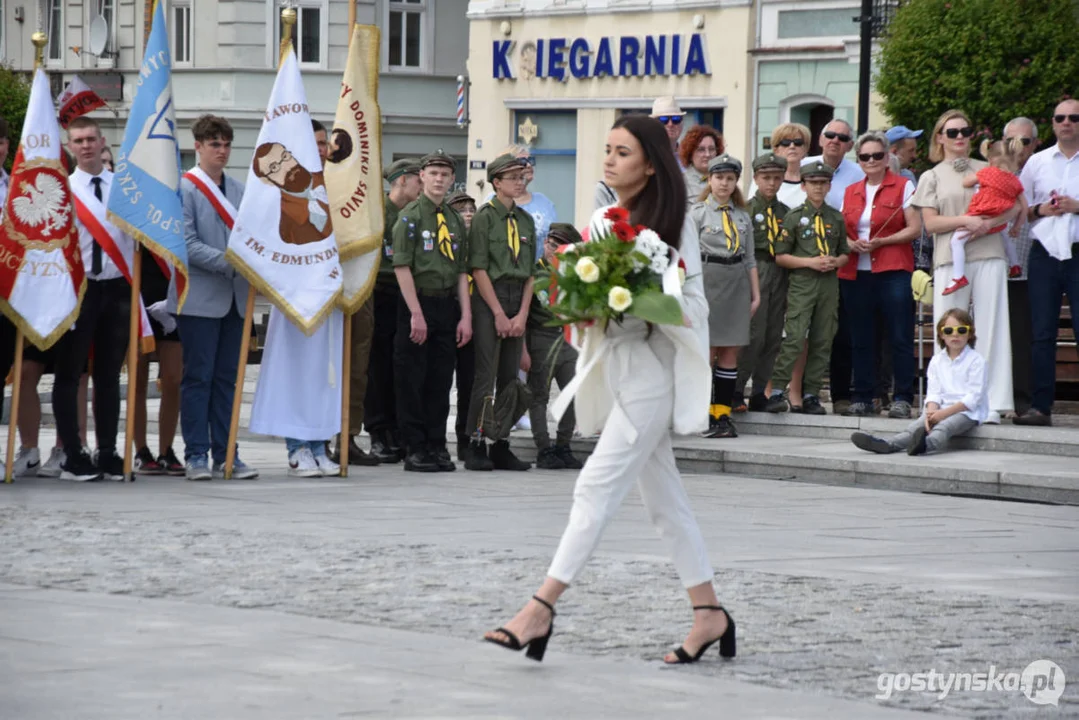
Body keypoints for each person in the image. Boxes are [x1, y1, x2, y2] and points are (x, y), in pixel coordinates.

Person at [483, 114, 735, 666]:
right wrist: (581, 303)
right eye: (608, 149)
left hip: (656, 374)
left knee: (594, 486)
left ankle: (540, 607)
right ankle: (709, 612)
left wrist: (639, 298)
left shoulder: (676, 221)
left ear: (649, 164)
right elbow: (586, 307)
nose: (610, 159)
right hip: (618, 368)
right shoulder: (599, 220)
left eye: (623, 152)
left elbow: (693, 306)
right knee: (665, 503)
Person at [250, 119, 343, 478]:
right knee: (295, 374)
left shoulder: (335, 186)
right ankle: (297, 448)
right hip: (294, 295)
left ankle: (320, 444)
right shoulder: (280, 192)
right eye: (314, 143)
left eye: (323, 143)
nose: (321, 149)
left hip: (327, 293)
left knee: (324, 374)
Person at [912, 109, 1013, 424]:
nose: (959, 137)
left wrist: (988, 224)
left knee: (992, 325)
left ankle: (994, 402)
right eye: (952, 132)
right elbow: (930, 223)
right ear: (939, 137)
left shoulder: (989, 167)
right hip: (948, 257)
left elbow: (1012, 206)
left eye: (965, 131)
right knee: (947, 329)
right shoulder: (931, 176)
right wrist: (966, 221)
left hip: (988, 251)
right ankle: (941, 401)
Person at [175, 115, 259, 480]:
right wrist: (232, 264)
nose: (222, 151)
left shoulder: (241, 190)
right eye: (214, 144)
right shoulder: (184, 189)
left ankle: (227, 454)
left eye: (226, 144)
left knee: (228, 379)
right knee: (199, 378)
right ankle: (195, 454)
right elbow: (186, 244)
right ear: (198, 146)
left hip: (237, 299)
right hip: (199, 297)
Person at [51, 117, 132, 481]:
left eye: (90, 139)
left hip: (116, 289)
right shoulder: (63, 192)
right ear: (70, 147)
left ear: (102, 142)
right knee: (69, 374)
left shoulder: (125, 190)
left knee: (109, 376)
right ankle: (72, 451)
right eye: (78, 140)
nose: (85, 146)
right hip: (78, 290)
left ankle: (108, 451)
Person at [392, 149, 471, 472]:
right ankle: (415, 446)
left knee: (440, 378)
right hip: (417, 302)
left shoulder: (453, 220)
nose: (439, 180)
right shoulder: (410, 216)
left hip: (446, 304)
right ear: (421, 177)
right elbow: (402, 266)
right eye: (433, 174)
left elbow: (462, 271)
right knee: (413, 377)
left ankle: (437, 444)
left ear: (453, 179)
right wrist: (416, 313)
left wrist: (465, 316)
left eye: (445, 174)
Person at [837, 131, 921, 419]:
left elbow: (915, 228)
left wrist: (883, 241)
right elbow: (840, 232)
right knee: (861, 337)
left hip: (893, 269)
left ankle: (902, 397)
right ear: (858, 160)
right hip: (856, 271)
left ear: (887, 157)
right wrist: (850, 244)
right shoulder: (850, 191)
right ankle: (863, 395)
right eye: (864, 156)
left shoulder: (903, 186)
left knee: (899, 335)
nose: (871, 161)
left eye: (876, 155)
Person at [464, 154, 535, 472]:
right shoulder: (484, 217)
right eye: (513, 177)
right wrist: (497, 313)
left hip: (517, 297)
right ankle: (476, 442)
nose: (520, 182)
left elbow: (531, 273)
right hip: (489, 297)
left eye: (522, 177)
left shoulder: (525, 220)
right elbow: (478, 269)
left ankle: (501, 443)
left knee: (510, 377)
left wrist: (521, 316)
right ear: (496, 182)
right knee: (485, 374)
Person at [765, 161, 851, 415]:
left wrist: (837, 261)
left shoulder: (835, 217)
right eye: (813, 183)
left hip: (829, 283)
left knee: (823, 338)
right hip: (803, 282)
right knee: (794, 337)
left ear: (829, 186)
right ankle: (779, 389)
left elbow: (845, 252)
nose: (818, 188)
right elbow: (781, 256)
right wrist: (810, 262)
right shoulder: (794, 217)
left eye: (823, 183)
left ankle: (812, 393)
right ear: (803, 186)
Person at [1015, 101, 1079, 427]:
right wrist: (1043, 210)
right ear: (1053, 124)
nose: (1067, 122)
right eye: (1060, 118)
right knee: (1041, 334)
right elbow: (1022, 209)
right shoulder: (1037, 162)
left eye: (1073, 117)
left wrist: (1075, 206)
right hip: (1044, 252)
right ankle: (1041, 407)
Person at [851, 309, 986, 456]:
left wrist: (942, 414)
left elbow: (973, 398)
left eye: (961, 330)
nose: (955, 335)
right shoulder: (936, 361)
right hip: (940, 408)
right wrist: (931, 413)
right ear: (941, 334)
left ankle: (926, 445)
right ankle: (888, 444)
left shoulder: (976, 360)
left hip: (967, 412)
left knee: (944, 427)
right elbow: (934, 392)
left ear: (970, 333)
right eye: (948, 330)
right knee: (915, 427)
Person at [691, 154, 758, 438]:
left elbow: (750, 258)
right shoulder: (697, 214)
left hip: (736, 284)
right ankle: (704, 413)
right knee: (706, 352)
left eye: (730, 179)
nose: (724, 183)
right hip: (707, 281)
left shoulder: (743, 216)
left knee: (730, 352)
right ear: (710, 179)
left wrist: (756, 295)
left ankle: (722, 414)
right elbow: (687, 257)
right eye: (719, 177)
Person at [366, 158, 422, 462]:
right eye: (417, 179)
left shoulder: (414, 214)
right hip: (381, 291)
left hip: (406, 294)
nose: (422, 185)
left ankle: (397, 428)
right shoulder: (380, 213)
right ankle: (378, 430)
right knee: (378, 366)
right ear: (401, 180)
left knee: (400, 367)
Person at [525, 222, 583, 470]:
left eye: (559, 246)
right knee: (538, 396)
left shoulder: (574, 275)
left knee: (574, 393)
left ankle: (563, 445)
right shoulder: (534, 273)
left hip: (567, 339)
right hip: (540, 338)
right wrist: (523, 350)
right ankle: (544, 449)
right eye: (550, 244)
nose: (552, 250)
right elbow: (525, 313)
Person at [736, 153, 789, 412]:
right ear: (756, 178)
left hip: (779, 271)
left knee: (772, 335)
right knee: (753, 335)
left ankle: (759, 392)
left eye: (777, 178)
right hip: (755, 270)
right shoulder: (745, 211)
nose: (771, 183)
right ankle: (736, 389)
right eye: (766, 178)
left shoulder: (786, 213)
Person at [941, 138, 1027, 296]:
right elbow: (1023, 206)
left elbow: (966, 182)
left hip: (980, 214)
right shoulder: (1015, 181)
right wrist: (1017, 226)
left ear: (990, 159)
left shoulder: (988, 172)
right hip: (999, 219)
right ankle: (1015, 264)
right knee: (1006, 238)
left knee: (956, 241)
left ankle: (958, 276)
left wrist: (977, 182)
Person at [132, 241, 184, 475]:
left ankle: (167, 450)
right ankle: (141, 450)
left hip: (171, 294)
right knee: (137, 380)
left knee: (173, 379)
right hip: (136, 293)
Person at [1000, 117, 1039, 417]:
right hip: (993, 268)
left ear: (1035, 143)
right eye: (1011, 140)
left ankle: (1023, 401)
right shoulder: (992, 173)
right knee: (994, 336)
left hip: (1029, 269)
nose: (1018, 147)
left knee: (1024, 339)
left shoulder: (1040, 171)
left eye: (1024, 140)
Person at [447, 189, 478, 461]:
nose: (468, 213)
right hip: (448, 310)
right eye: (461, 209)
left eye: (471, 209)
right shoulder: (446, 240)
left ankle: (466, 439)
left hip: (475, 314)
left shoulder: (480, 243)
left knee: (470, 381)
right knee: (441, 380)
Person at [750, 123, 810, 209]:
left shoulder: (813, 179)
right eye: (786, 143)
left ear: (805, 149)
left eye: (798, 142)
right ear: (776, 150)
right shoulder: (762, 178)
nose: (792, 146)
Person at [679, 125, 724, 203]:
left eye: (711, 149)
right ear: (690, 153)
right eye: (701, 150)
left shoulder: (725, 180)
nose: (707, 154)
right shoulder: (680, 183)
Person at [650, 96, 685, 164]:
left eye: (676, 119)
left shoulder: (691, 157)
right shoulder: (647, 156)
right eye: (663, 119)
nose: (670, 124)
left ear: (682, 124)